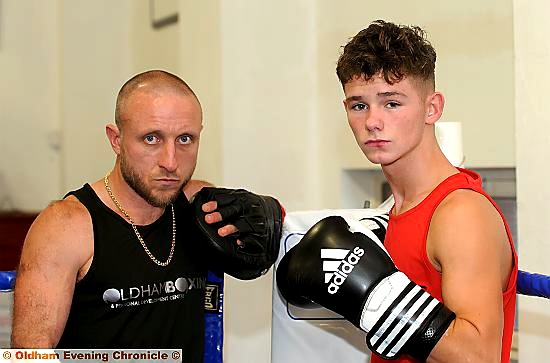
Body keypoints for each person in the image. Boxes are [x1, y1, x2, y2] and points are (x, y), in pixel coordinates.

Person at [277, 20, 517, 362]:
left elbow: (480, 356)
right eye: (359, 105)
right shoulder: (393, 212)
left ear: (432, 108)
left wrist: (385, 300)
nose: (373, 121)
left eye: (392, 103)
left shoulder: (459, 213)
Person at [11, 70, 282, 362]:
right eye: (151, 138)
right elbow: (29, 354)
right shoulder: (67, 226)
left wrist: (269, 228)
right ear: (116, 139)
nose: (170, 161)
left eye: (185, 139)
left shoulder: (201, 208)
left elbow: (265, 235)